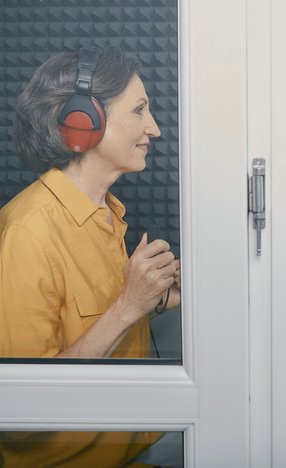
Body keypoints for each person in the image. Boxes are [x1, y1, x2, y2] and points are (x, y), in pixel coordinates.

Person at [0, 47, 180, 466]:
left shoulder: (105, 214)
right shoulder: (28, 234)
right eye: (139, 110)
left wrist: (154, 299)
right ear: (83, 120)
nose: (153, 128)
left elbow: (86, 325)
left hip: (133, 450)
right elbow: (20, 413)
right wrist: (128, 305)